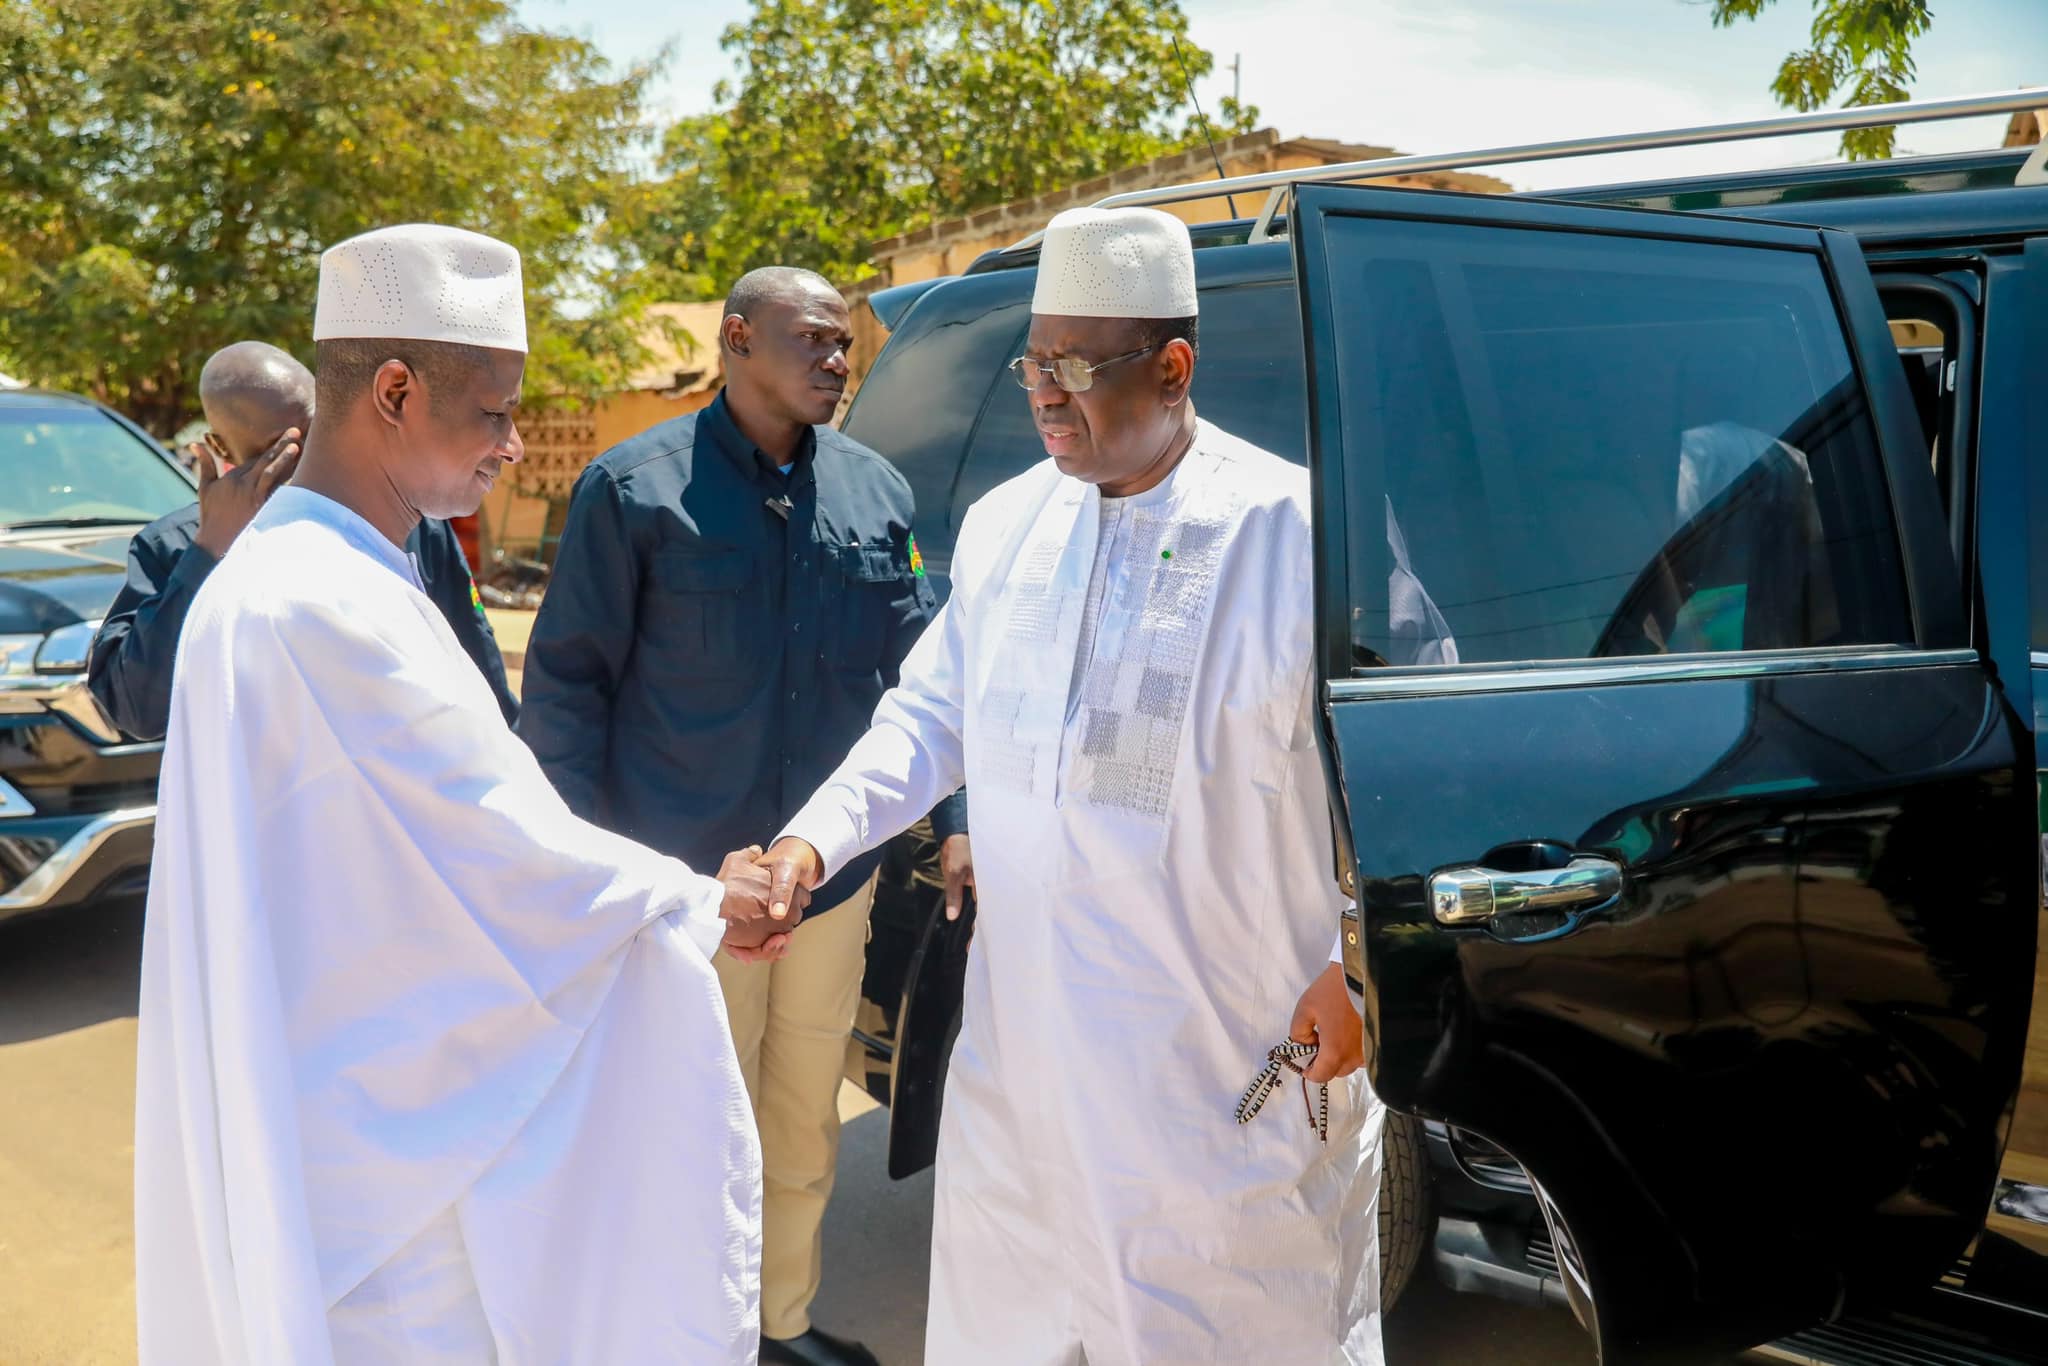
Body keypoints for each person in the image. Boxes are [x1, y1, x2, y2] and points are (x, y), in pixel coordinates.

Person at [134, 225, 792, 1365]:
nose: (513, 444)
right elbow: (502, 854)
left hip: (359, 1131)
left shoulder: (320, 575)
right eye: (492, 411)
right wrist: (693, 900)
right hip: (389, 1192)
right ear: (393, 390)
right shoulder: (316, 603)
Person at [760, 207, 1385, 1364]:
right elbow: (929, 716)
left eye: (1075, 366)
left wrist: (1359, 962)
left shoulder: (1298, 531)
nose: (1042, 392)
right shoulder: (1005, 528)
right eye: (1032, 362)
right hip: (1027, 1067)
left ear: (1174, 365)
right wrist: (811, 841)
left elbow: (1404, 762)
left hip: (1217, 1062)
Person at [519, 265, 965, 1366]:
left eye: (842, 340)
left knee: (804, 1128)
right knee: (680, 1132)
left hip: (829, 887)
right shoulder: (633, 489)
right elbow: (568, 688)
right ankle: (679, 1335)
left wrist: (957, 815)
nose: (836, 356)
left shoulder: (874, 494)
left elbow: (923, 680)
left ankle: (780, 1327)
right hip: (682, 896)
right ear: (734, 339)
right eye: (811, 338)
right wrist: (575, 881)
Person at [88, 341, 517, 739]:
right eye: (279, 449)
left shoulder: (409, 521)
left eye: (315, 434)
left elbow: (479, 675)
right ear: (220, 447)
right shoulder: (178, 546)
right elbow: (136, 710)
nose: (305, 460)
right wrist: (209, 552)